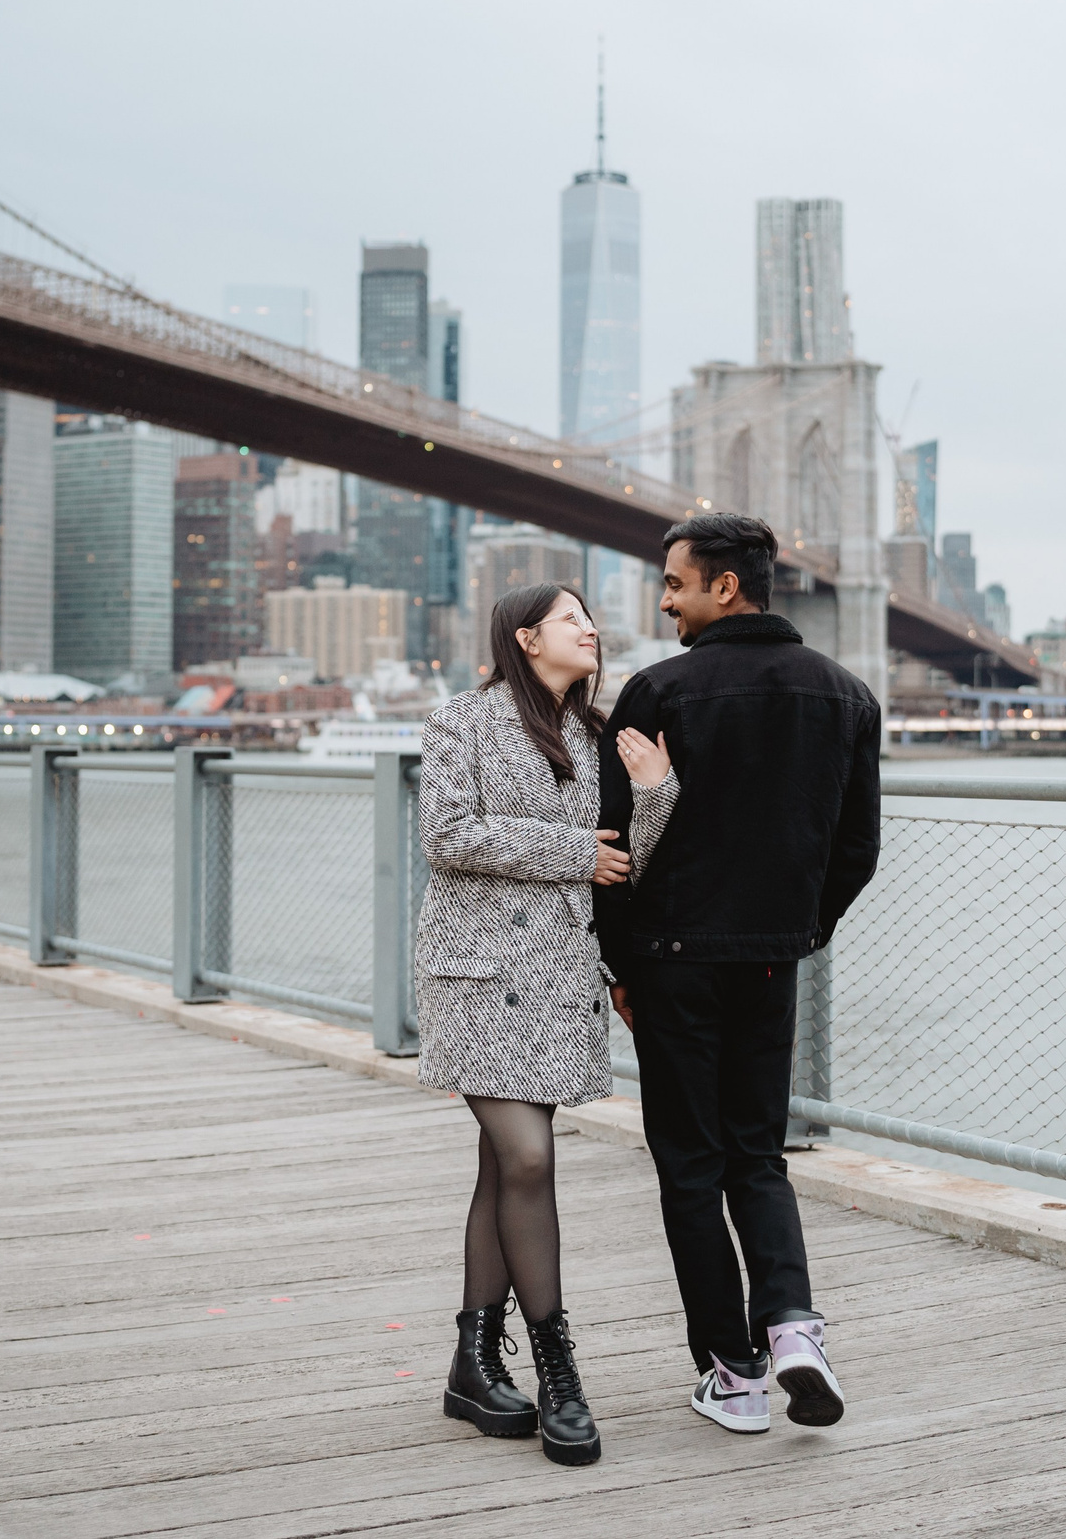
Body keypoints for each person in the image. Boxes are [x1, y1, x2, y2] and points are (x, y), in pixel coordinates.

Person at [597, 512, 882, 1435]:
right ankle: (795, 1328)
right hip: (769, 962)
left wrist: (620, 964)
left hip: (672, 961)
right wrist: (796, 932)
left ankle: (735, 1372)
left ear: (725, 586)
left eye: (675, 584)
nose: (666, 601)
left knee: (690, 1167)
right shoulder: (846, 696)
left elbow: (615, 850)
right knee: (758, 1158)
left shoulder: (657, 693)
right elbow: (857, 850)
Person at [414, 580, 669, 1468]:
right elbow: (446, 833)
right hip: (479, 976)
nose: (592, 630)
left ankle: (474, 1365)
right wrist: (571, 855)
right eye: (573, 619)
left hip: (559, 977)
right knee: (526, 1156)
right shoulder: (462, 721)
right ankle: (559, 1366)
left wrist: (658, 789)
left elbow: (630, 858)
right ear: (526, 638)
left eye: (591, 619)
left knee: (502, 1167)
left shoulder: (599, 738)